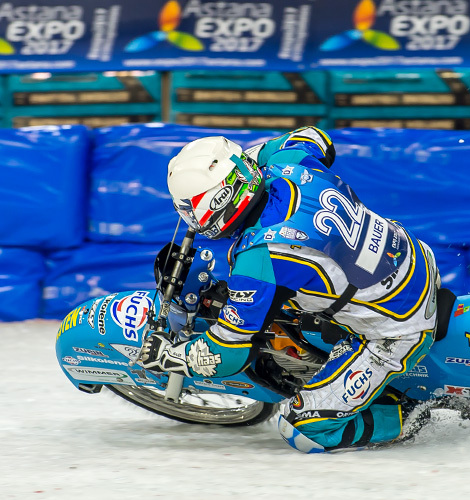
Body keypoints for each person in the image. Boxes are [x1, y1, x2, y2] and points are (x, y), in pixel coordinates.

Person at [141, 126, 441, 452]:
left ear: (218, 201)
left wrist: (170, 358)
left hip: (399, 325)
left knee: (301, 430)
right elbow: (316, 136)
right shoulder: (291, 161)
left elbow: (226, 353)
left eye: (190, 209)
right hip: (413, 255)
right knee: (290, 295)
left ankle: (406, 416)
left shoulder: (259, 258)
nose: (188, 220)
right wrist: (251, 158)